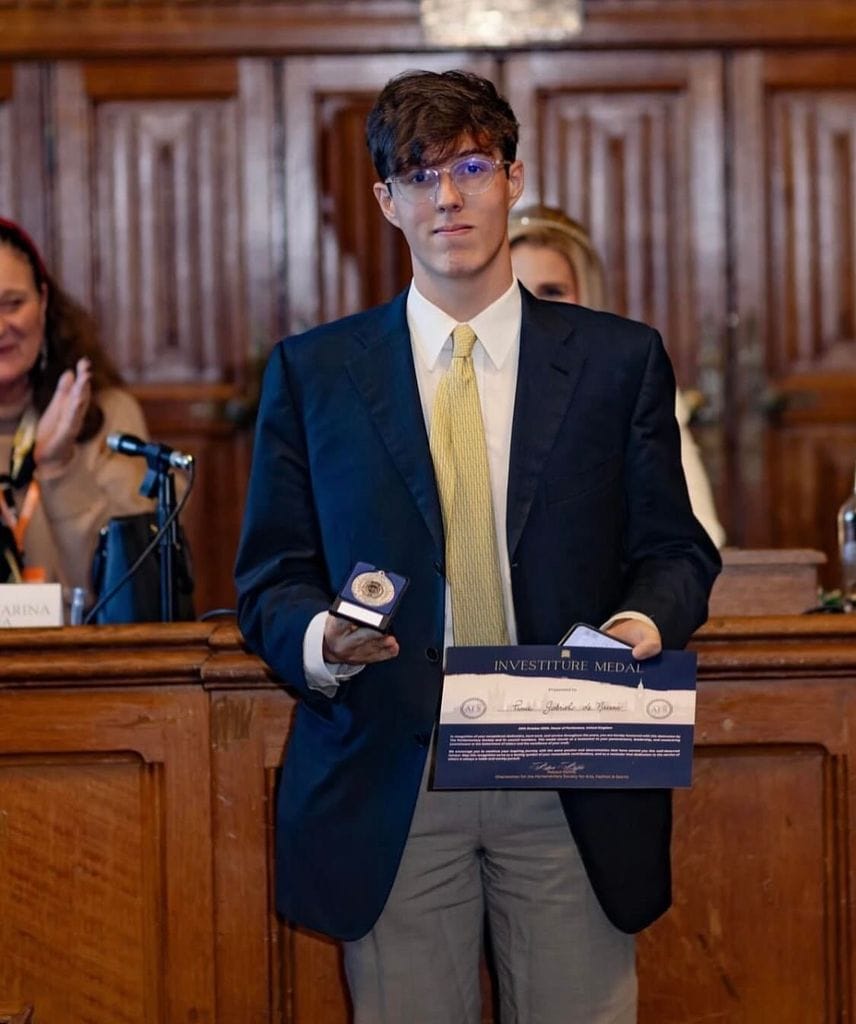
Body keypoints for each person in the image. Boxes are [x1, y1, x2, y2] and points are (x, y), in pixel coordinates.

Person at [235, 70, 721, 1024]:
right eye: (418, 177)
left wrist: (636, 623)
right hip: (393, 764)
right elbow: (272, 575)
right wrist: (318, 640)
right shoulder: (314, 372)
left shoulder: (619, 359)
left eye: (469, 166)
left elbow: (677, 552)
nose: (447, 197)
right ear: (385, 201)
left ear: (514, 178)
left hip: (572, 746)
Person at [509, 204, 726, 548]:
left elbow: (696, 534)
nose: (535, 309)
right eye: (518, 292)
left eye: (552, 291)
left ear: (586, 294)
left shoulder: (632, 383)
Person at [0, 217, 151, 605]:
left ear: (44, 302)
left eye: (13, 304)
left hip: (82, 659)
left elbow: (130, 592)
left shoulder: (108, 419)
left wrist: (59, 467)